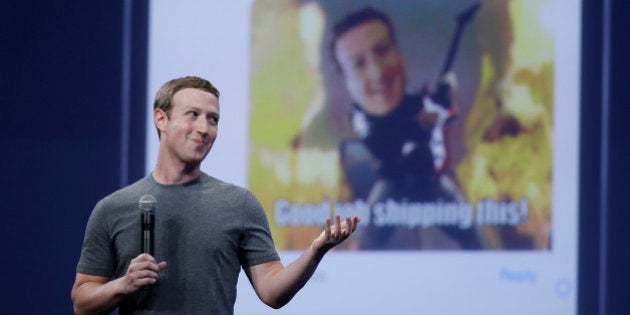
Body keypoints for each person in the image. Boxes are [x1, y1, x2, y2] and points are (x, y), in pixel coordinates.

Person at [71, 76, 360, 314]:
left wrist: (315, 251)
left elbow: (272, 292)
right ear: (161, 119)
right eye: (193, 115)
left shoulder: (239, 204)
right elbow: (82, 302)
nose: (204, 128)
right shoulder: (113, 208)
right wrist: (122, 285)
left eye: (213, 119)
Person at [332, 7, 479, 249]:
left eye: (382, 50)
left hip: (432, 182)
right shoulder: (360, 119)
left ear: (398, 53)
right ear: (346, 80)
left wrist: (442, 103)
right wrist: (420, 124)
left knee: (473, 234)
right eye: (359, 64)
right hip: (391, 185)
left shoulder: (418, 104)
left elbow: (442, 116)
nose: (377, 71)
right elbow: (385, 143)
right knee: (367, 242)